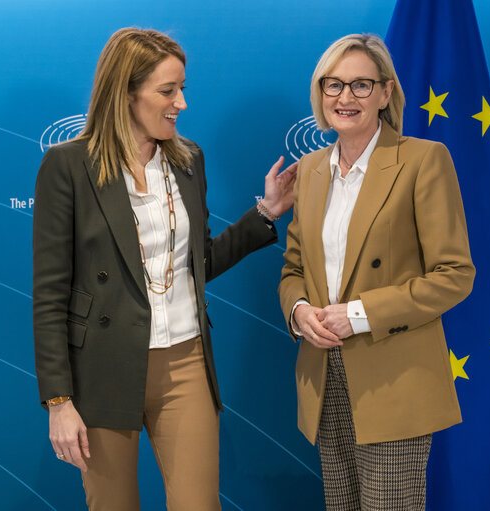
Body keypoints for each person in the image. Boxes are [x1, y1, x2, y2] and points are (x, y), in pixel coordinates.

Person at [33, 28, 296, 511]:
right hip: (103, 369)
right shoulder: (68, 166)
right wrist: (58, 402)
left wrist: (265, 215)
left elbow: (197, 265)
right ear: (126, 93)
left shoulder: (189, 159)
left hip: (186, 362)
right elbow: (50, 295)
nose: (181, 103)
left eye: (182, 89)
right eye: (167, 91)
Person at [278, 33, 475, 510]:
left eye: (361, 85)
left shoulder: (423, 160)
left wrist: (360, 314)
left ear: (386, 93)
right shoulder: (309, 171)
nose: (345, 98)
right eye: (334, 85)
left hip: (393, 377)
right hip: (323, 374)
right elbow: (293, 269)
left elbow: (454, 274)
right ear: (320, 92)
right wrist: (300, 310)